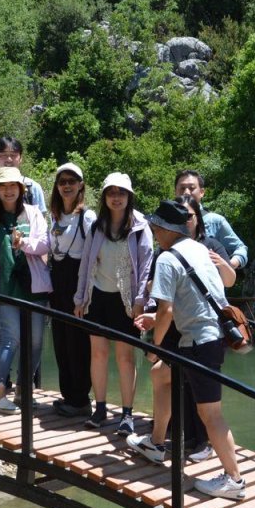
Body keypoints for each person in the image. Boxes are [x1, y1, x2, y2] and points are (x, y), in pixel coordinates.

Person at [127, 200, 246, 500]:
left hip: (198, 343)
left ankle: (234, 480)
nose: (154, 233)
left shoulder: (167, 259)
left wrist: (154, 346)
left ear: (167, 229)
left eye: (156, 228)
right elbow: (195, 296)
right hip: (206, 338)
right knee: (161, 375)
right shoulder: (197, 249)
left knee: (210, 414)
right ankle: (156, 443)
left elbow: (166, 309)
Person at [0, 166, 51, 414]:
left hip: (33, 287)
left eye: (13, 185)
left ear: (21, 189)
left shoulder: (34, 214)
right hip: (3, 289)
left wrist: (25, 243)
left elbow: (45, 244)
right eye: (3, 186)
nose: (8, 190)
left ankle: (24, 391)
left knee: (34, 343)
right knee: (9, 339)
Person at [74, 173, 153, 435]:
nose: (116, 197)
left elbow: (145, 268)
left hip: (126, 299)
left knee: (125, 357)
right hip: (98, 296)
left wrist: (142, 301)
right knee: (97, 354)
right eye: (111, 193)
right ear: (105, 197)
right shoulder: (97, 226)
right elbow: (86, 263)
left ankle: (127, 414)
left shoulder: (140, 226)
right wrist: (80, 298)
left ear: (129, 196)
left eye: (121, 193)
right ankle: (100, 408)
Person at [46, 163, 96, 418]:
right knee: (61, 342)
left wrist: (85, 295)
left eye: (72, 181)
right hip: (58, 283)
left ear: (81, 185)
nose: (67, 185)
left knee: (78, 344)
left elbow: (93, 256)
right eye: (62, 181)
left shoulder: (86, 217)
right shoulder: (54, 215)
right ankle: (69, 396)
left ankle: (81, 400)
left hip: (77, 283)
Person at [174, 170, 248, 271]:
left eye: (192, 188)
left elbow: (240, 248)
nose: (186, 192)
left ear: (201, 192)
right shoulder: (167, 221)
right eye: (182, 188)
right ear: (175, 191)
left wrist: (228, 265)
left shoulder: (215, 221)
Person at [0, 136, 47, 214]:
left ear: (21, 158)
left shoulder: (32, 187)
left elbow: (41, 220)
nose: (9, 159)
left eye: (13, 155)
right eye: (3, 155)